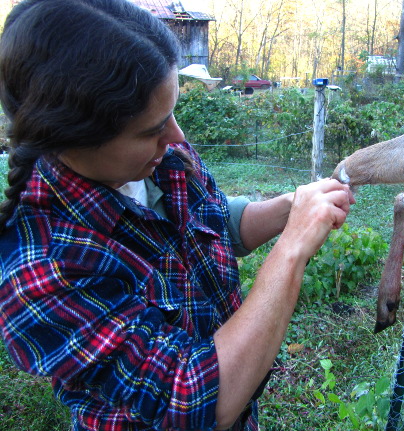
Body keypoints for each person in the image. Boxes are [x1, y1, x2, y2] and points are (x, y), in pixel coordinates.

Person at [0, 1, 354, 430]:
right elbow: (198, 399)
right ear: (70, 138)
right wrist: (292, 247)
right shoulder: (44, 271)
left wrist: (288, 207)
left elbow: (218, 223)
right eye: (152, 129)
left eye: (172, 114)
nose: (177, 137)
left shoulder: (162, 159)